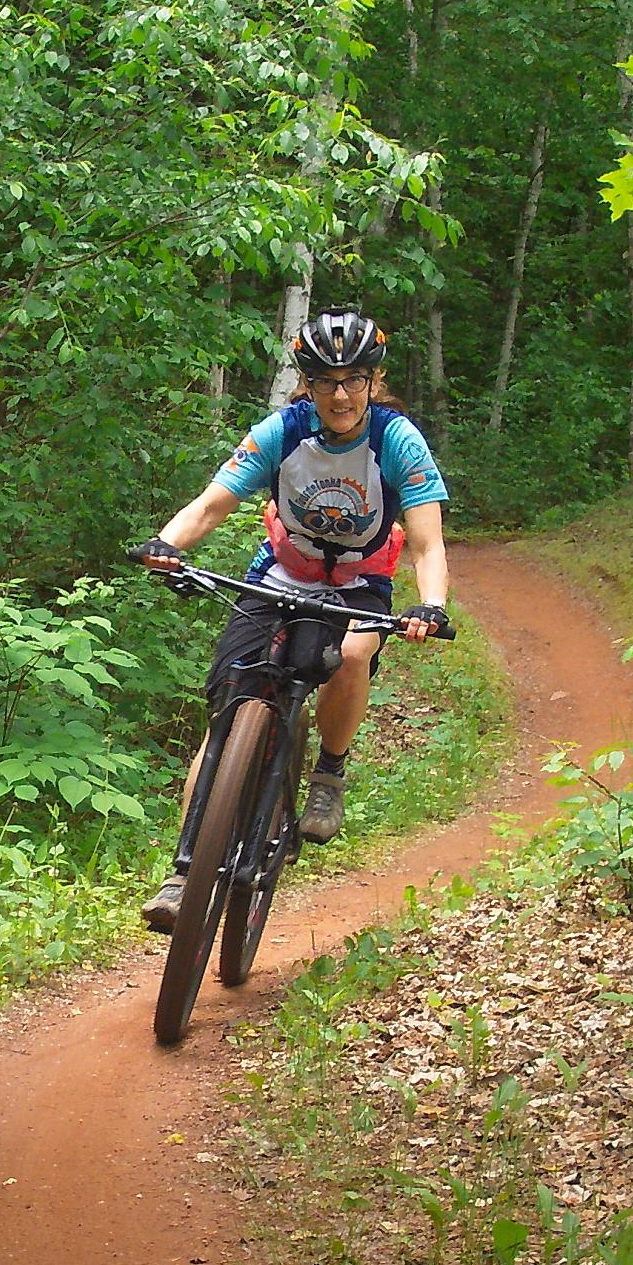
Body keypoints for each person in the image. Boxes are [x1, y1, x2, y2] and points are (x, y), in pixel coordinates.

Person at [129, 307, 452, 932]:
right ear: (306, 382)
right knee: (227, 709)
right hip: (281, 573)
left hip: (361, 581)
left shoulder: (396, 440)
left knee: (354, 655)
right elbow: (212, 503)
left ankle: (328, 773)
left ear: (372, 381)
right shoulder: (282, 431)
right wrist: (166, 546)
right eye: (326, 380)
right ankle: (185, 872)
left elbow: (427, 543)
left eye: (354, 379)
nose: (340, 393)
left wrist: (431, 605)